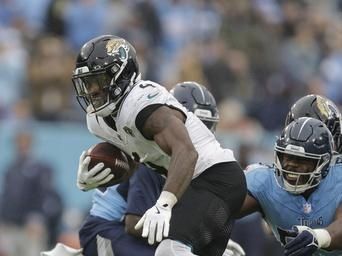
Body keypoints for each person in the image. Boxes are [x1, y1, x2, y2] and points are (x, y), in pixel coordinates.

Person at [74, 76, 245, 256]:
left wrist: (203, 233)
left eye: (206, 126)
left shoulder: (185, 162)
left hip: (132, 234)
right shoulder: (155, 155)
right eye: (194, 121)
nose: (201, 131)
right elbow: (134, 222)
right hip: (109, 229)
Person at [238, 117, 342, 255]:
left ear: (324, 163)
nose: (291, 164)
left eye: (302, 159)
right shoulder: (265, 181)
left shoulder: (337, 178)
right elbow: (221, 210)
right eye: (287, 156)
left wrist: (319, 237)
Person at [0, 129, 64, 256]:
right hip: (11, 225)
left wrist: (38, 218)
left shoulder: (42, 168)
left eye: (25, 143)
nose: (21, 146)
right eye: (19, 143)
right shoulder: (11, 169)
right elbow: (7, 197)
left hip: (31, 227)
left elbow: (47, 196)